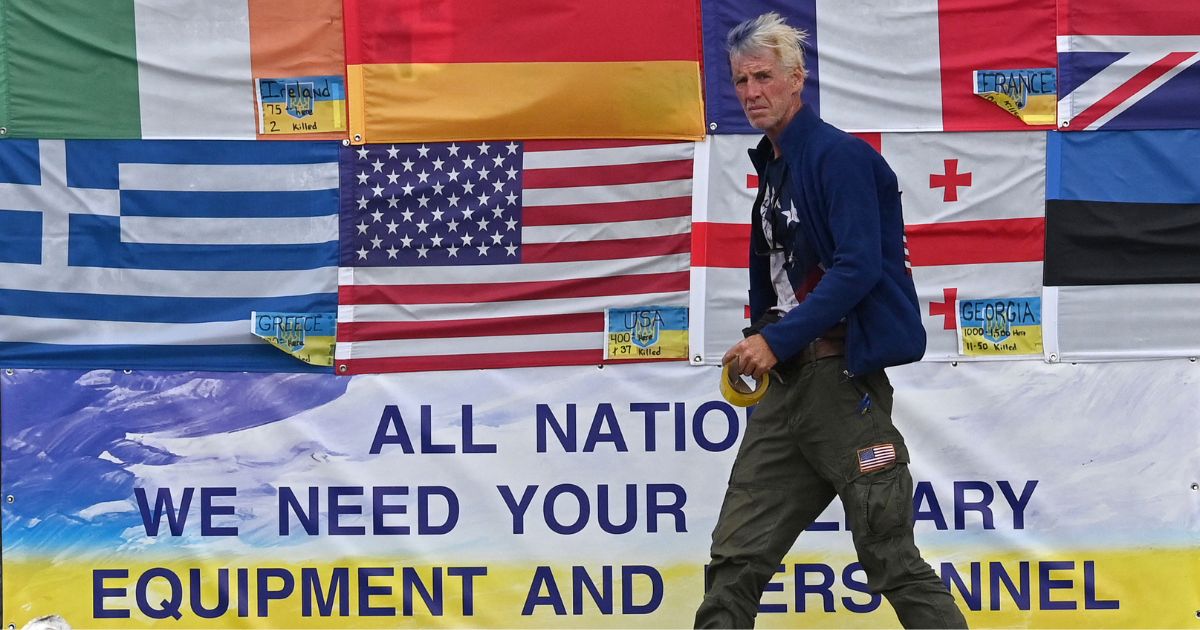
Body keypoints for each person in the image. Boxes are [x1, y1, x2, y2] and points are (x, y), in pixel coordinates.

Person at [694, 12, 968, 629]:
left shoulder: (839, 156)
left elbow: (858, 268)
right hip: (786, 391)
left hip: (842, 387)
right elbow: (783, 280)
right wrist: (761, 338)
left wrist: (777, 338)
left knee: (890, 554)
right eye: (740, 81)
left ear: (798, 80)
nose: (751, 93)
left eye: (763, 77)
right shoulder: (775, 166)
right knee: (734, 562)